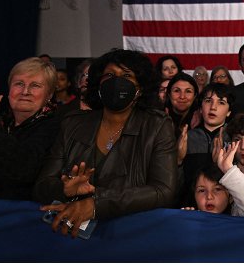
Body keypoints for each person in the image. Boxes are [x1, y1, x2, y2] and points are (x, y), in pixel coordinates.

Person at [33, 49, 177, 237]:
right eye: (109, 75)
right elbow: (41, 186)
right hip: (73, 237)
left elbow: (163, 191)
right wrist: (64, 189)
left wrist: (95, 204)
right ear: (98, 85)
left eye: (127, 76)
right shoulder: (73, 124)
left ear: (140, 87)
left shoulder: (156, 126)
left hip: (130, 235)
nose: (117, 81)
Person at [0, 58, 62, 201]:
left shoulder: (55, 125)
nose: (25, 91)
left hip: (24, 213)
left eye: (35, 85)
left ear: (49, 95)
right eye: (19, 84)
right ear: (9, 90)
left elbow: (21, 169)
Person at [178, 83, 232, 207]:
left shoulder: (235, 139)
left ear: (229, 112)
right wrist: (178, 160)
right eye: (208, 101)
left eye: (221, 102)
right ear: (201, 108)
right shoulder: (186, 137)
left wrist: (219, 165)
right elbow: (176, 186)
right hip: (189, 207)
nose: (213, 107)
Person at [187, 139, 244, 217]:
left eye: (217, 189)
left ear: (231, 197)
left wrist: (228, 169)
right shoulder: (189, 217)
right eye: (202, 190)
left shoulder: (236, 216)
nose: (209, 197)